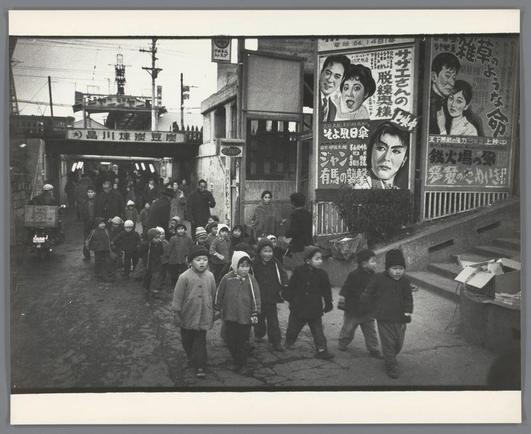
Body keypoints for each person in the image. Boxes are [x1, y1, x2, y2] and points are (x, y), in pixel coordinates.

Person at [359, 249, 414, 379]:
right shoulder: (378, 278)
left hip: (400, 318)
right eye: (394, 268)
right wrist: (364, 301)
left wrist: (408, 311)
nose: (398, 271)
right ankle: (391, 365)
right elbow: (369, 291)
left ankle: (390, 356)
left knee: (399, 343)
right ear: (387, 268)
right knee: (388, 343)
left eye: (401, 268)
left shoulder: (405, 281)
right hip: (384, 318)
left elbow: (408, 297)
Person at [172, 245, 217, 379]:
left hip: (204, 313)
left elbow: (213, 293)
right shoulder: (184, 277)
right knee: (187, 340)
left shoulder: (210, 276)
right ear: (190, 262)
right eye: (198, 259)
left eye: (205, 259)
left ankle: (200, 364)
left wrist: (214, 309)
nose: (202, 262)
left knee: (200, 340)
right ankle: (191, 356)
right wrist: (176, 312)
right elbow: (178, 296)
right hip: (188, 313)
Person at [282, 246, 334, 359]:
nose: (320, 261)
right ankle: (289, 342)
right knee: (293, 328)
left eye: (321, 259)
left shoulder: (322, 274)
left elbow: (326, 290)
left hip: (314, 308)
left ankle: (322, 350)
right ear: (308, 261)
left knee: (318, 330)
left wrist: (328, 302)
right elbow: (292, 286)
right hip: (298, 307)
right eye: (317, 259)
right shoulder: (299, 271)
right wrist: (288, 296)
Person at [214, 251, 261, 375]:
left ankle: (242, 363)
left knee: (242, 341)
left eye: (247, 266)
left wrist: (255, 312)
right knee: (230, 340)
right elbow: (220, 294)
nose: (245, 269)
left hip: (245, 317)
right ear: (235, 265)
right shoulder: (227, 278)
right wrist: (217, 308)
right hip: (229, 316)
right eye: (242, 266)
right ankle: (236, 357)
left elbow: (256, 297)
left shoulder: (251, 280)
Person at [337, 249, 383, 358]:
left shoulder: (374, 276)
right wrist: (342, 297)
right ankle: (342, 343)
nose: (375, 264)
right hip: (353, 309)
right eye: (373, 261)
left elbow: (377, 290)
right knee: (349, 328)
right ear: (364, 264)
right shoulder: (354, 275)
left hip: (368, 310)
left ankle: (373, 348)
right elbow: (346, 287)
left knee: (370, 331)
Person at [252, 238, 288, 352]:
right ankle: (259, 334)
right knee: (260, 318)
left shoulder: (275, 262)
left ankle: (276, 342)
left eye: (270, 251)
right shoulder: (254, 263)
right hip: (259, 296)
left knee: (273, 321)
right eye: (265, 251)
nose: (268, 254)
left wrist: (285, 284)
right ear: (259, 252)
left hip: (272, 296)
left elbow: (282, 273)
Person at [354, 122, 410, 190]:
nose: (386, 157)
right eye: (381, 148)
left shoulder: (398, 191)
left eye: (396, 151)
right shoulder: (361, 186)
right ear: (371, 151)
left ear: (404, 161)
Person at [429, 52, 461, 134]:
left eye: (454, 78)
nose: (451, 83)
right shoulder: (424, 101)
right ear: (433, 77)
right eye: (447, 76)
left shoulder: (452, 101)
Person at [284, 192, 313, 269]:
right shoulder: (308, 213)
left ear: (293, 203)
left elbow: (294, 231)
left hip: (298, 246)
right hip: (309, 244)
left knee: (298, 268)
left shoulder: (294, 215)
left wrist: (286, 232)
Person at [319, 54, 350, 122]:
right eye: (328, 73)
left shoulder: (333, 108)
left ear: (342, 80)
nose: (330, 80)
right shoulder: (309, 96)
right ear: (321, 72)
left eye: (337, 77)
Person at [86, 217, 115, 282]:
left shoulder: (107, 231)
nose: (102, 225)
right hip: (98, 249)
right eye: (100, 223)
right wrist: (89, 247)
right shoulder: (93, 231)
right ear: (97, 224)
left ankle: (109, 272)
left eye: (103, 223)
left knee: (108, 261)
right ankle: (97, 272)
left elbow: (110, 238)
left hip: (106, 249)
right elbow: (89, 239)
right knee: (97, 261)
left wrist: (112, 245)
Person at [139, 227, 165, 298]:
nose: (158, 239)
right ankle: (146, 287)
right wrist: (144, 258)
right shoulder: (146, 244)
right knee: (147, 276)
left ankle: (155, 290)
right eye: (156, 238)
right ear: (151, 238)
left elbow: (161, 252)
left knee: (156, 277)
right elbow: (140, 252)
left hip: (156, 263)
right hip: (148, 264)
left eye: (158, 237)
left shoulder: (159, 244)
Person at [80, 185, 97, 261]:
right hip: (87, 223)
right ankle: (87, 255)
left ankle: (98, 255)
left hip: (95, 223)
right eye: (88, 192)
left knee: (97, 239)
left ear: (95, 193)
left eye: (91, 192)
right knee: (86, 239)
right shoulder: (84, 202)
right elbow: (82, 213)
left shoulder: (97, 201)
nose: (90, 194)